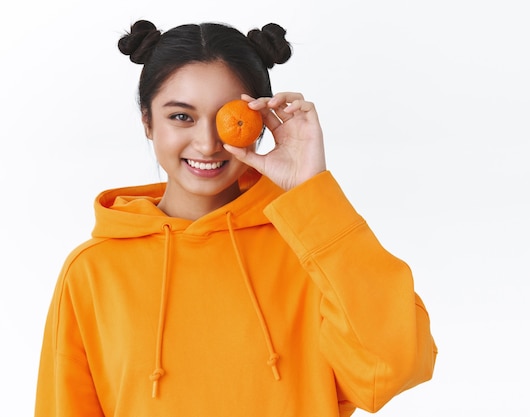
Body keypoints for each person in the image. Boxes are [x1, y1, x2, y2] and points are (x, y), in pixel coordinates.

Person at [34, 19, 437, 417]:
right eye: (181, 116)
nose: (207, 144)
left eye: (226, 116)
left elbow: (391, 370)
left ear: (259, 122)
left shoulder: (309, 248)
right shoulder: (91, 272)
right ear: (147, 122)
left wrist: (312, 191)